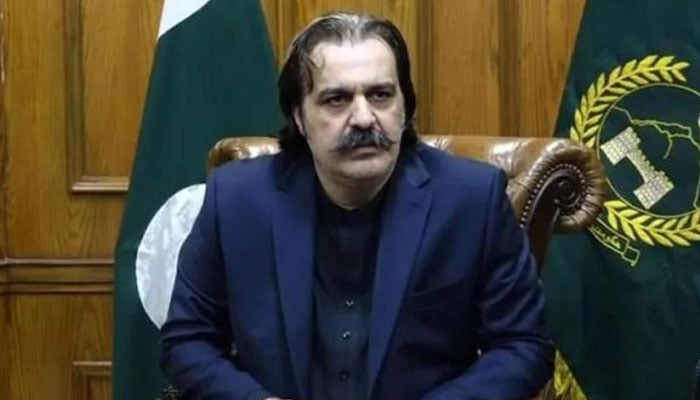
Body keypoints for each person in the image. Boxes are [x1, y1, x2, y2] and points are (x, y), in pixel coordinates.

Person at [160, 11, 554, 400]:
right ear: (299, 116)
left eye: (381, 95)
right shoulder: (237, 200)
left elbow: (523, 346)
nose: (364, 118)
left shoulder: (471, 199)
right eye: (337, 99)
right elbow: (187, 340)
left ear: (405, 106)